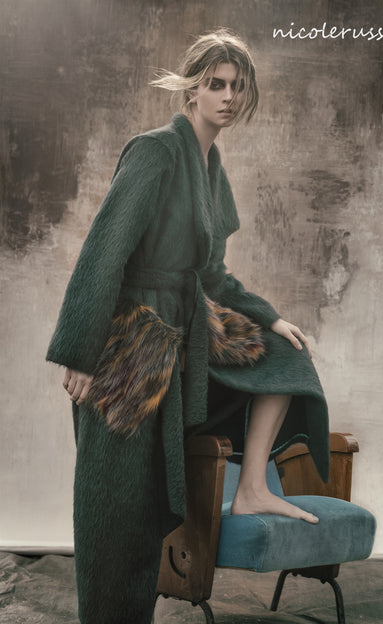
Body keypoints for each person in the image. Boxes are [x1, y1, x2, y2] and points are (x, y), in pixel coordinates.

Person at [47, 28, 329, 624]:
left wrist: (271, 318)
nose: (228, 96)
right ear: (192, 90)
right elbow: (104, 251)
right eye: (215, 84)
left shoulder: (211, 166)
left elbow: (212, 275)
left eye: (237, 86)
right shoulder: (155, 151)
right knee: (118, 507)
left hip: (187, 335)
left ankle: (253, 489)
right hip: (129, 345)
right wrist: (80, 353)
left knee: (286, 358)